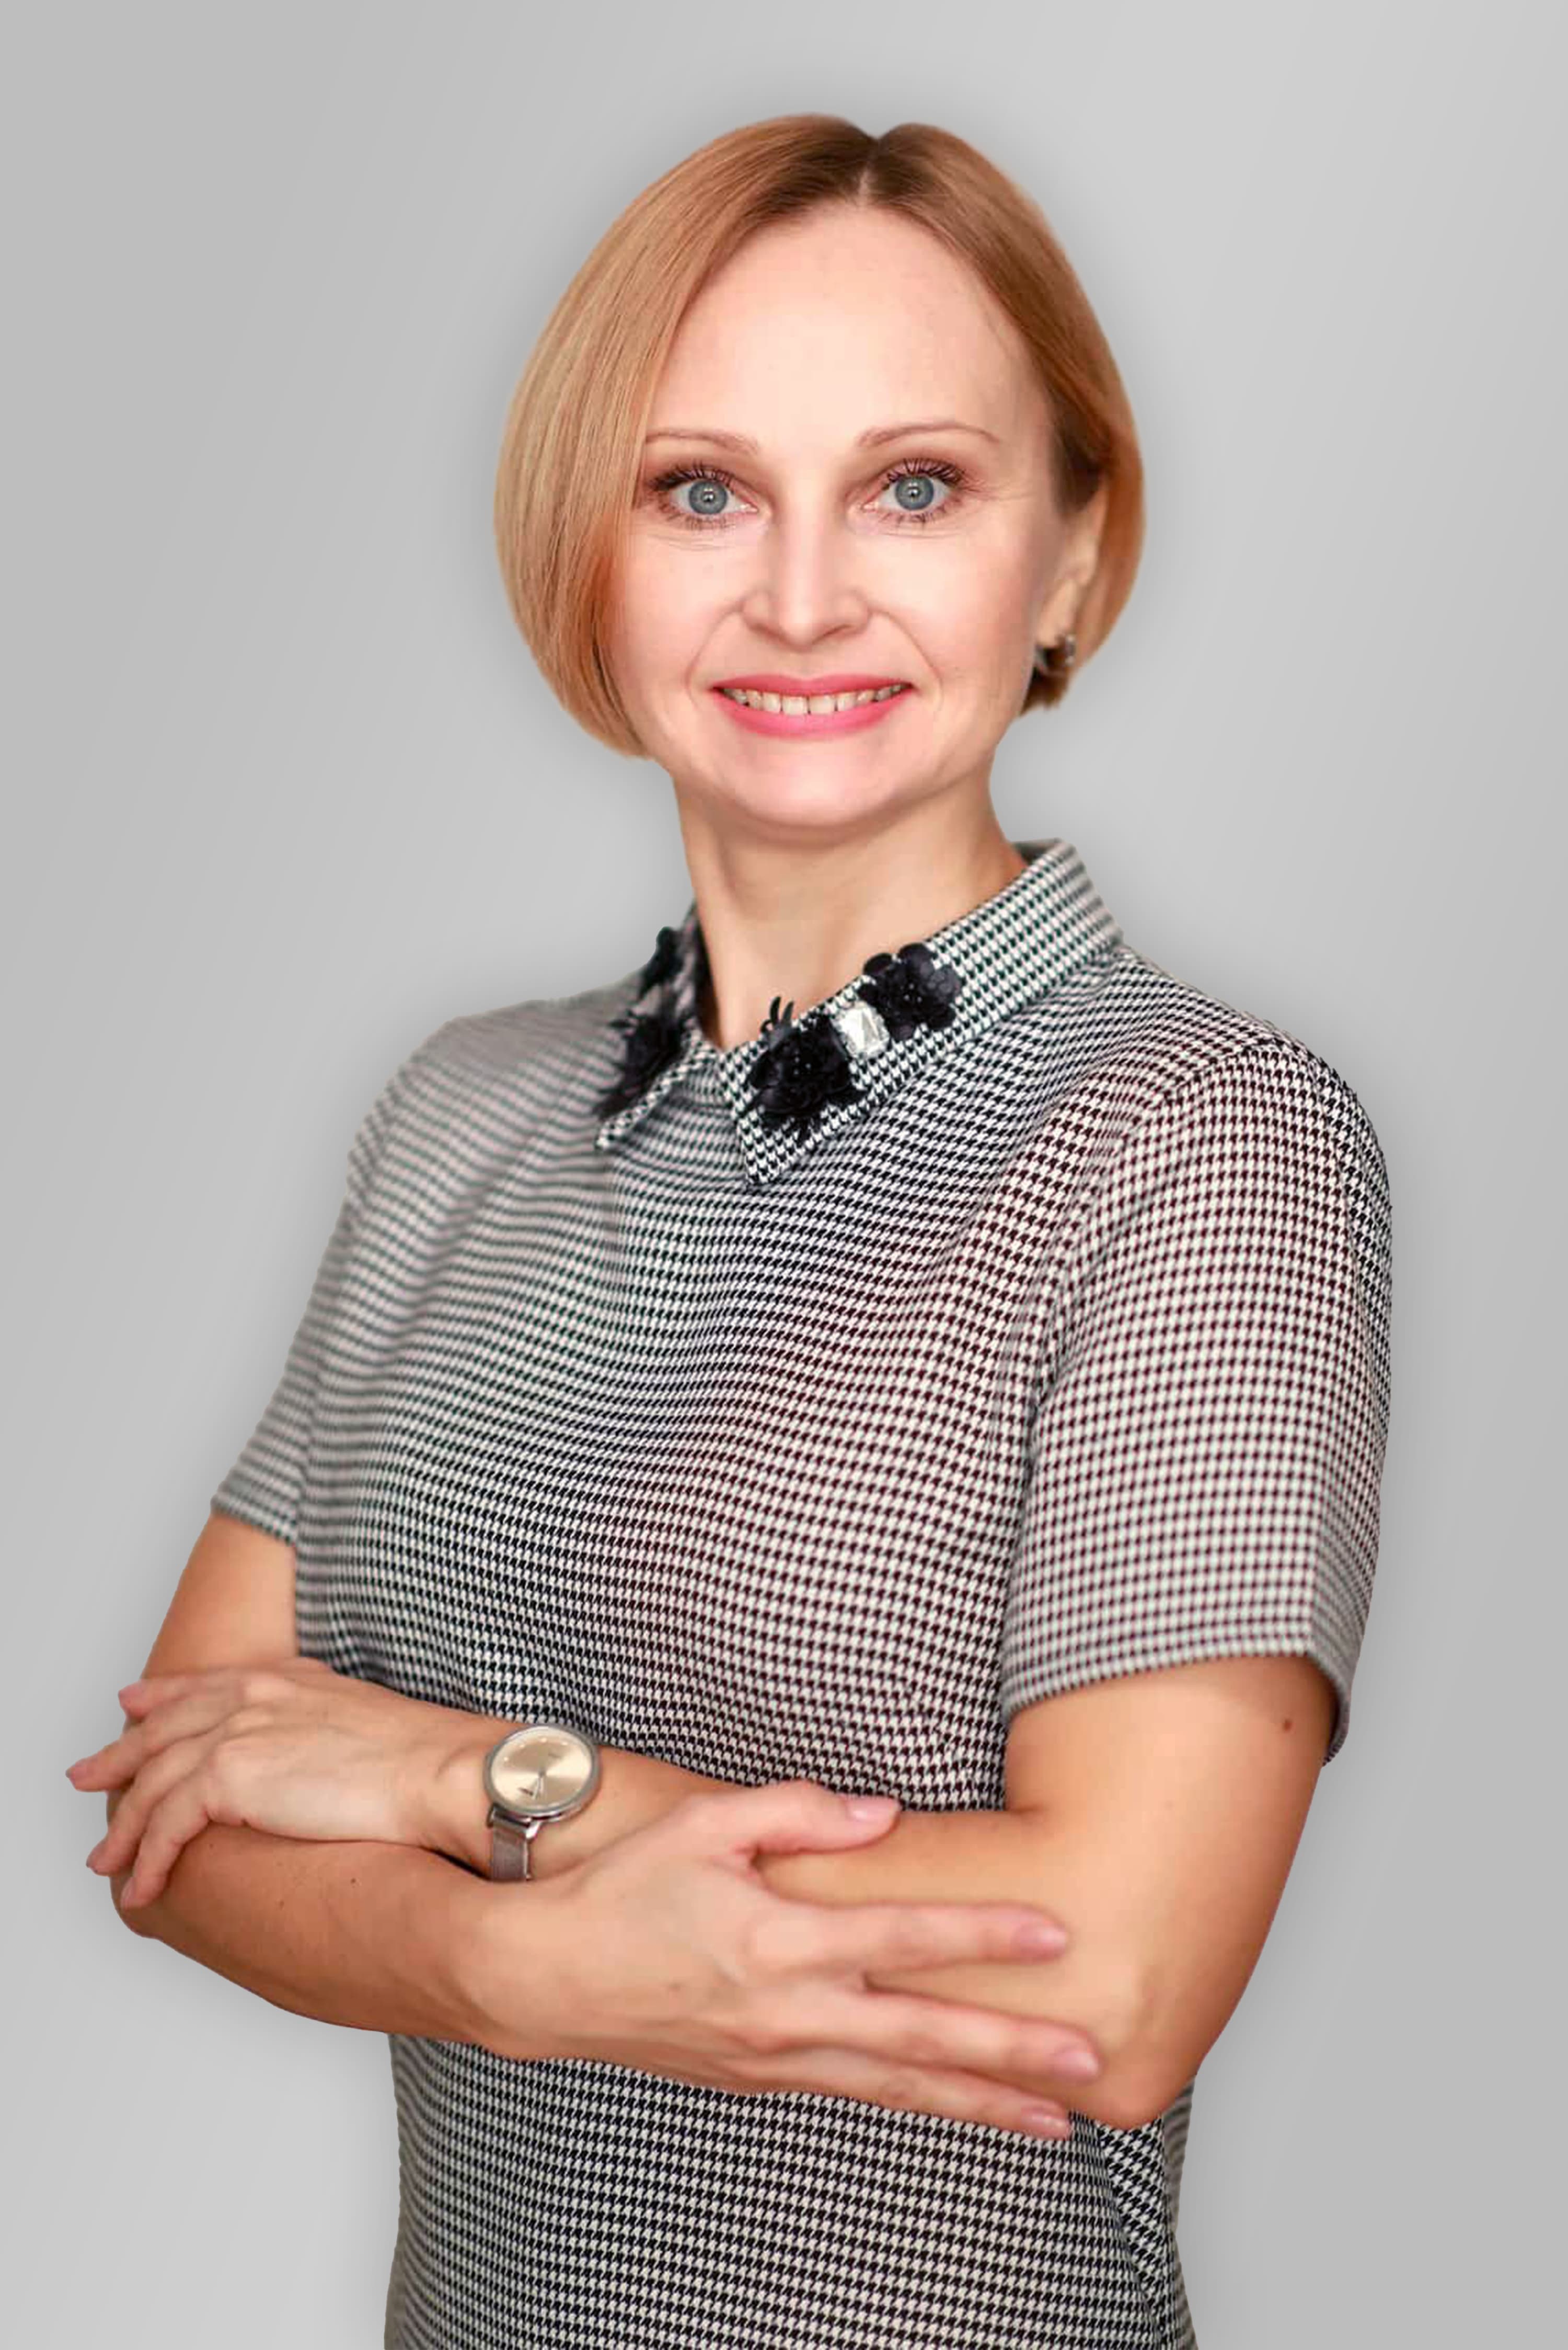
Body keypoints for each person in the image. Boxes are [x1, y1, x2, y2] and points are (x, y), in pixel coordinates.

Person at [69, 113, 1392, 2350]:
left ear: (1074, 557)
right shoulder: (460, 1111)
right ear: (585, 551)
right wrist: (511, 1961)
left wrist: (467, 1781)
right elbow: (182, 1799)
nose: (799, 597)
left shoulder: (1195, 1135)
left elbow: (1112, 1978)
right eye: (700, 491)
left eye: (915, 487)